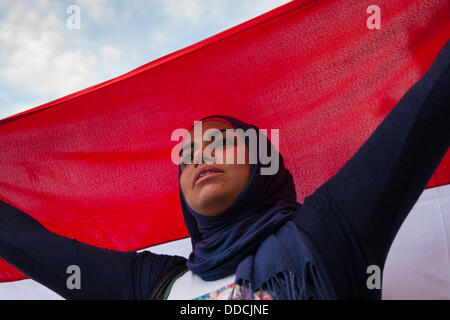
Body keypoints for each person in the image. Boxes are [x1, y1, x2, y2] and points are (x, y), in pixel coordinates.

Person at [0, 40, 448, 300]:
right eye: (187, 154)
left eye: (221, 142)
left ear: (262, 163)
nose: (198, 157)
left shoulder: (328, 233)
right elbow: (25, 242)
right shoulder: (153, 285)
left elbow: (428, 111)